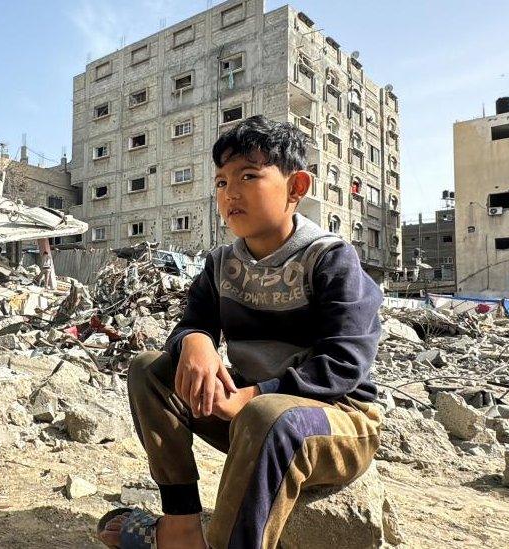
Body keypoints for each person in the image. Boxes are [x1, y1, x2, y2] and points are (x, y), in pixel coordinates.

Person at [98, 116, 384, 549]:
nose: (230, 192)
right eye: (220, 181)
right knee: (148, 370)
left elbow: (343, 364)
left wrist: (252, 396)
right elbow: (192, 323)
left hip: (336, 419)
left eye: (249, 176)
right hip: (250, 416)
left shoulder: (329, 259)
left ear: (296, 187)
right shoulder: (220, 264)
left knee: (267, 416)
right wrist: (196, 342)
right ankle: (181, 529)